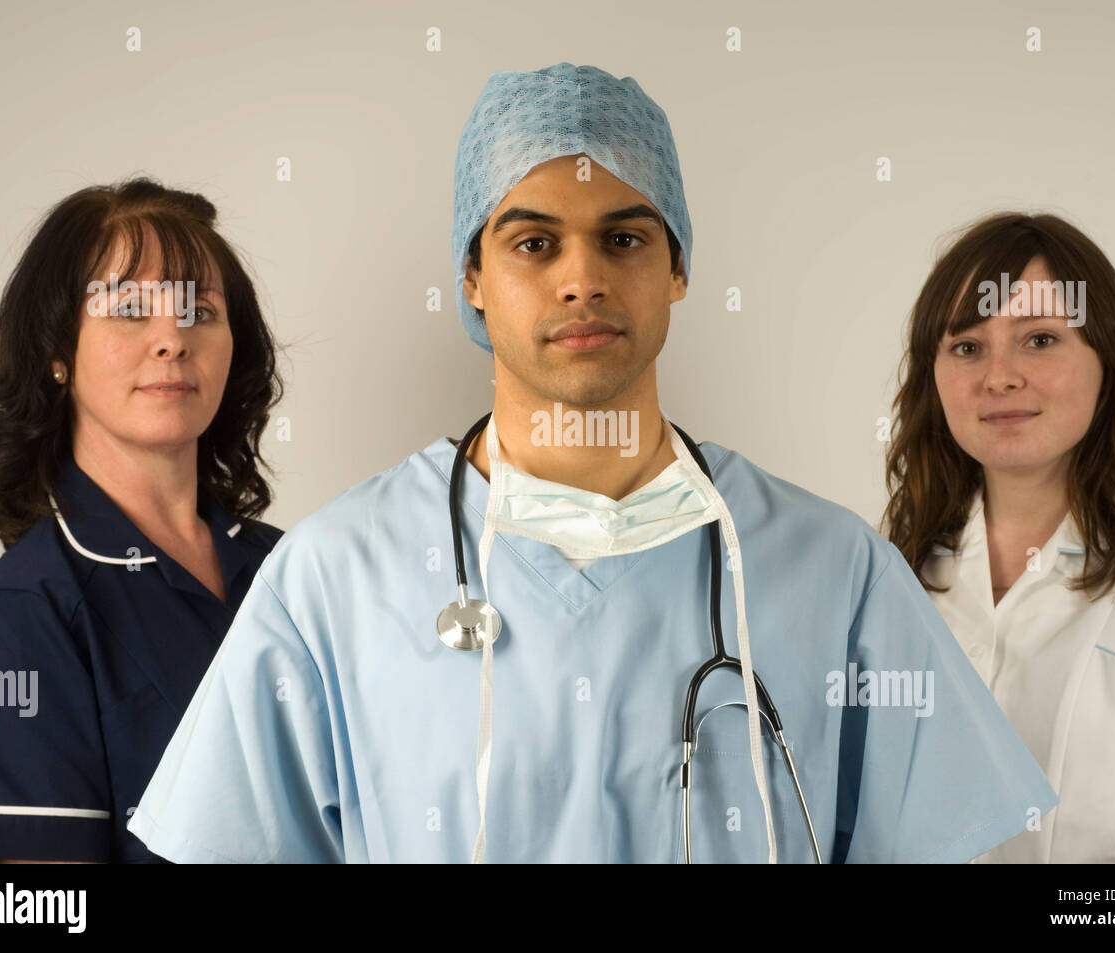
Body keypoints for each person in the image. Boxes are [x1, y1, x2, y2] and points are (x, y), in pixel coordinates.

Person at [129, 63, 1055, 864]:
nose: (583, 278)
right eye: (534, 242)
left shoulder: (834, 570)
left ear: (678, 266)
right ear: (473, 278)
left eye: (624, 237)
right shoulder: (334, 579)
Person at [0, 179, 285, 863]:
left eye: (201, 310)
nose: (172, 339)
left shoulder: (295, 570)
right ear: (57, 351)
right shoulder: (18, 613)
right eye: (129, 309)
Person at [882, 212, 1115, 863]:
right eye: (967, 347)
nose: (1000, 375)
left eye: (1040, 339)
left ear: (1109, 361)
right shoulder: (886, 583)